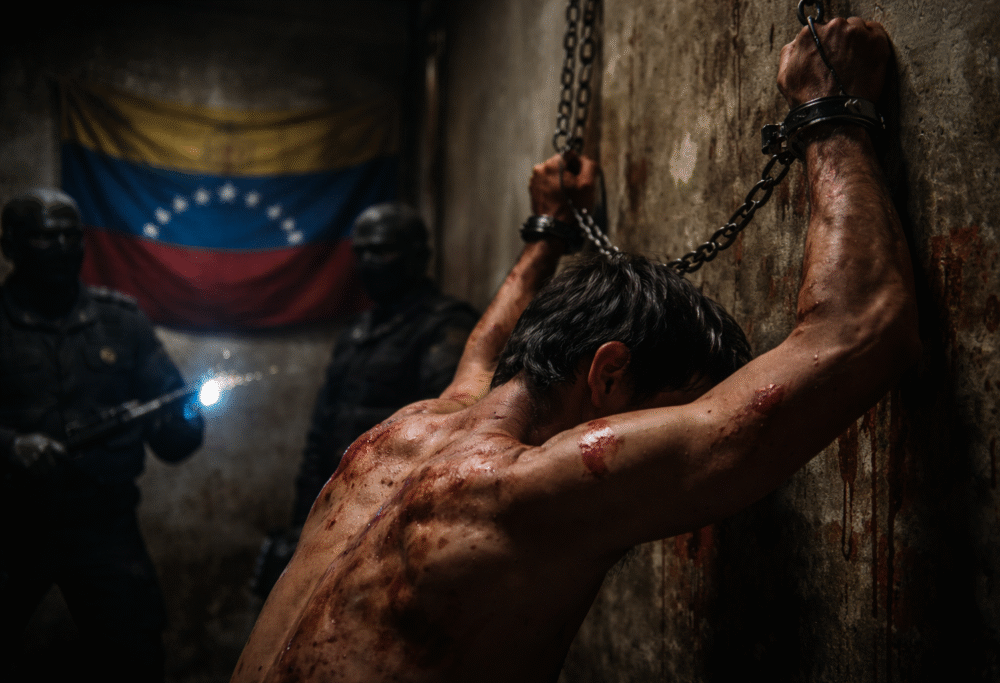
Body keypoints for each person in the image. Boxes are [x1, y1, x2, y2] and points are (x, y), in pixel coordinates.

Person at [231, 17, 919, 683]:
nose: (659, 433)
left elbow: (485, 351)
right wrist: (829, 113)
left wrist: (546, 235)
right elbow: (859, 330)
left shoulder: (406, 432)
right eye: (670, 410)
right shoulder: (523, 493)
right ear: (610, 371)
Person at [0, 188, 205, 682]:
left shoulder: (122, 321)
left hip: (103, 524)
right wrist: (11, 446)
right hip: (11, 524)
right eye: (47, 236)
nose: (65, 246)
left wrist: (178, 421)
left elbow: (176, 433)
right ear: (11, 246)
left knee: (134, 655)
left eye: (73, 235)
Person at [250, 203, 479, 598]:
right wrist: (303, 523)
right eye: (362, 252)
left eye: (382, 250)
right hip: (337, 513)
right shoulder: (356, 332)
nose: (370, 262)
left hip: (397, 518)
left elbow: (454, 430)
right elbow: (322, 431)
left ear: (417, 256)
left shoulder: (445, 326)